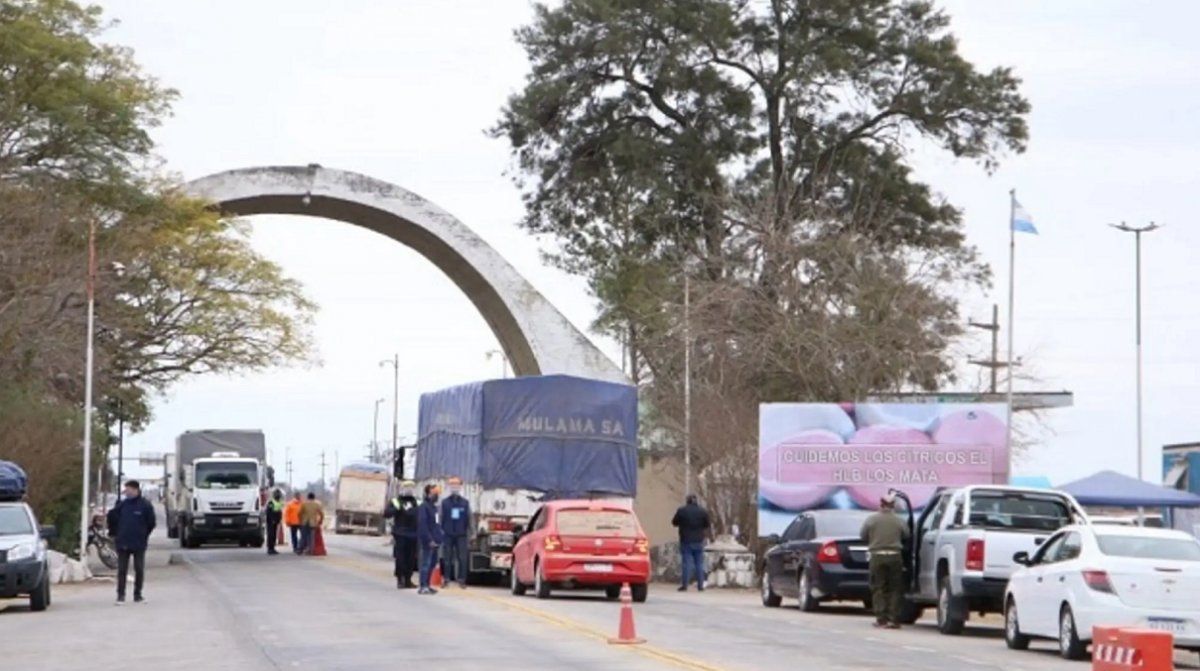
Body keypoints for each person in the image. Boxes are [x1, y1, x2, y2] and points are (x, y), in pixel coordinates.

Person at [861, 492, 910, 629]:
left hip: (877, 556)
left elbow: (863, 535)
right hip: (895, 556)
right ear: (893, 505)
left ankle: (881, 618)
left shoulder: (871, 519)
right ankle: (893, 619)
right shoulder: (899, 520)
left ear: (881, 504)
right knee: (895, 588)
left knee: (878, 587)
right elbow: (906, 535)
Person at [106, 480, 156, 605]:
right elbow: (112, 517)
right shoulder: (122, 505)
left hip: (139, 543)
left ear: (136, 490)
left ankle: (137, 595)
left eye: (128, 489)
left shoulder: (145, 505)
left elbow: (151, 523)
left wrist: (144, 535)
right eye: (125, 489)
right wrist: (114, 533)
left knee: (139, 569)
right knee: (122, 570)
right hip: (123, 542)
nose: (126, 492)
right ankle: (120, 596)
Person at [671, 493, 711, 592]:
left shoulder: (682, 511)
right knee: (699, 564)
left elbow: (674, 523)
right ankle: (700, 586)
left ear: (687, 501)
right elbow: (707, 524)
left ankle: (685, 585)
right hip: (698, 540)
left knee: (686, 563)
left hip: (686, 540)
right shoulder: (703, 511)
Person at [385, 480, 420, 589]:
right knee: (400, 558)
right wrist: (397, 508)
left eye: (411, 487)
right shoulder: (396, 501)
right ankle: (400, 579)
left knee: (411, 558)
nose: (409, 489)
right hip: (400, 534)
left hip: (413, 534)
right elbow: (386, 514)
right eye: (406, 487)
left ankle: (408, 579)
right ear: (402, 489)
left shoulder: (417, 502)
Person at [440, 476, 471, 588]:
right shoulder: (445, 503)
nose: (454, 487)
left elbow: (469, 519)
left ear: (461, 486)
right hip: (448, 534)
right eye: (452, 485)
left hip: (461, 534)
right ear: (448, 486)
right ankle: (446, 579)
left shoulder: (465, 503)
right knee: (447, 558)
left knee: (462, 558)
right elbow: (441, 518)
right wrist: (441, 531)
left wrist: (470, 533)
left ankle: (462, 579)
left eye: (457, 485)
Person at [416, 483, 444, 595]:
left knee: (432, 564)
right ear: (428, 493)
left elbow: (436, 524)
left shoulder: (434, 508)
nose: (436, 495)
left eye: (437, 493)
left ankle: (428, 584)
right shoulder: (424, 507)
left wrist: (440, 537)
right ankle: (423, 586)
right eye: (434, 493)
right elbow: (423, 524)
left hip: (436, 540)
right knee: (426, 563)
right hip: (428, 540)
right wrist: (429, 539)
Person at [265, 489, 284, 555]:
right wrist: (272, 520)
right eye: (277, 494)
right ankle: (270, 549)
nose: (278, 496)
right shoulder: (271, 502)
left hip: (276, 521)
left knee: (274, 535)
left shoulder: (279, 502)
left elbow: (279, 511)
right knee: (271, 535)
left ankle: (273, 548)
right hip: (271, 521)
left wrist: (279, 519)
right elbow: (269, 512)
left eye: (279, 494)